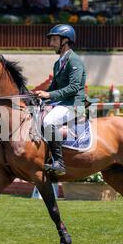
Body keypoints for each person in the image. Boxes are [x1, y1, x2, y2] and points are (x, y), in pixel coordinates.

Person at [33, 24, 86, 176]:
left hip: (74, 105)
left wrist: (49, 96)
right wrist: (39, 94)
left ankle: (59, 162)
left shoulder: (74, 61)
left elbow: (74, 87)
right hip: (63, 103)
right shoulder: (58, 63)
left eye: (54, 39)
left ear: (65, 41)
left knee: (48, 121)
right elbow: (54, 87)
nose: (51, 44)